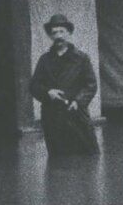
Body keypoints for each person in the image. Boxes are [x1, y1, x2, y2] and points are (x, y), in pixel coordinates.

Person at [29, 14, 99, 157]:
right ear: (50, 36)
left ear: (69, 33)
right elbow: (34, 85)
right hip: (52, 118)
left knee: (86, 157)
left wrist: (78, 101)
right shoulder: (45, 60)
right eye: (54, 33)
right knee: (58, 159)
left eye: (62, 31)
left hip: (76, 115)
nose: (58, 36)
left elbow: (90, 85)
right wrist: (48, 93)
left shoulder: (81, 58)